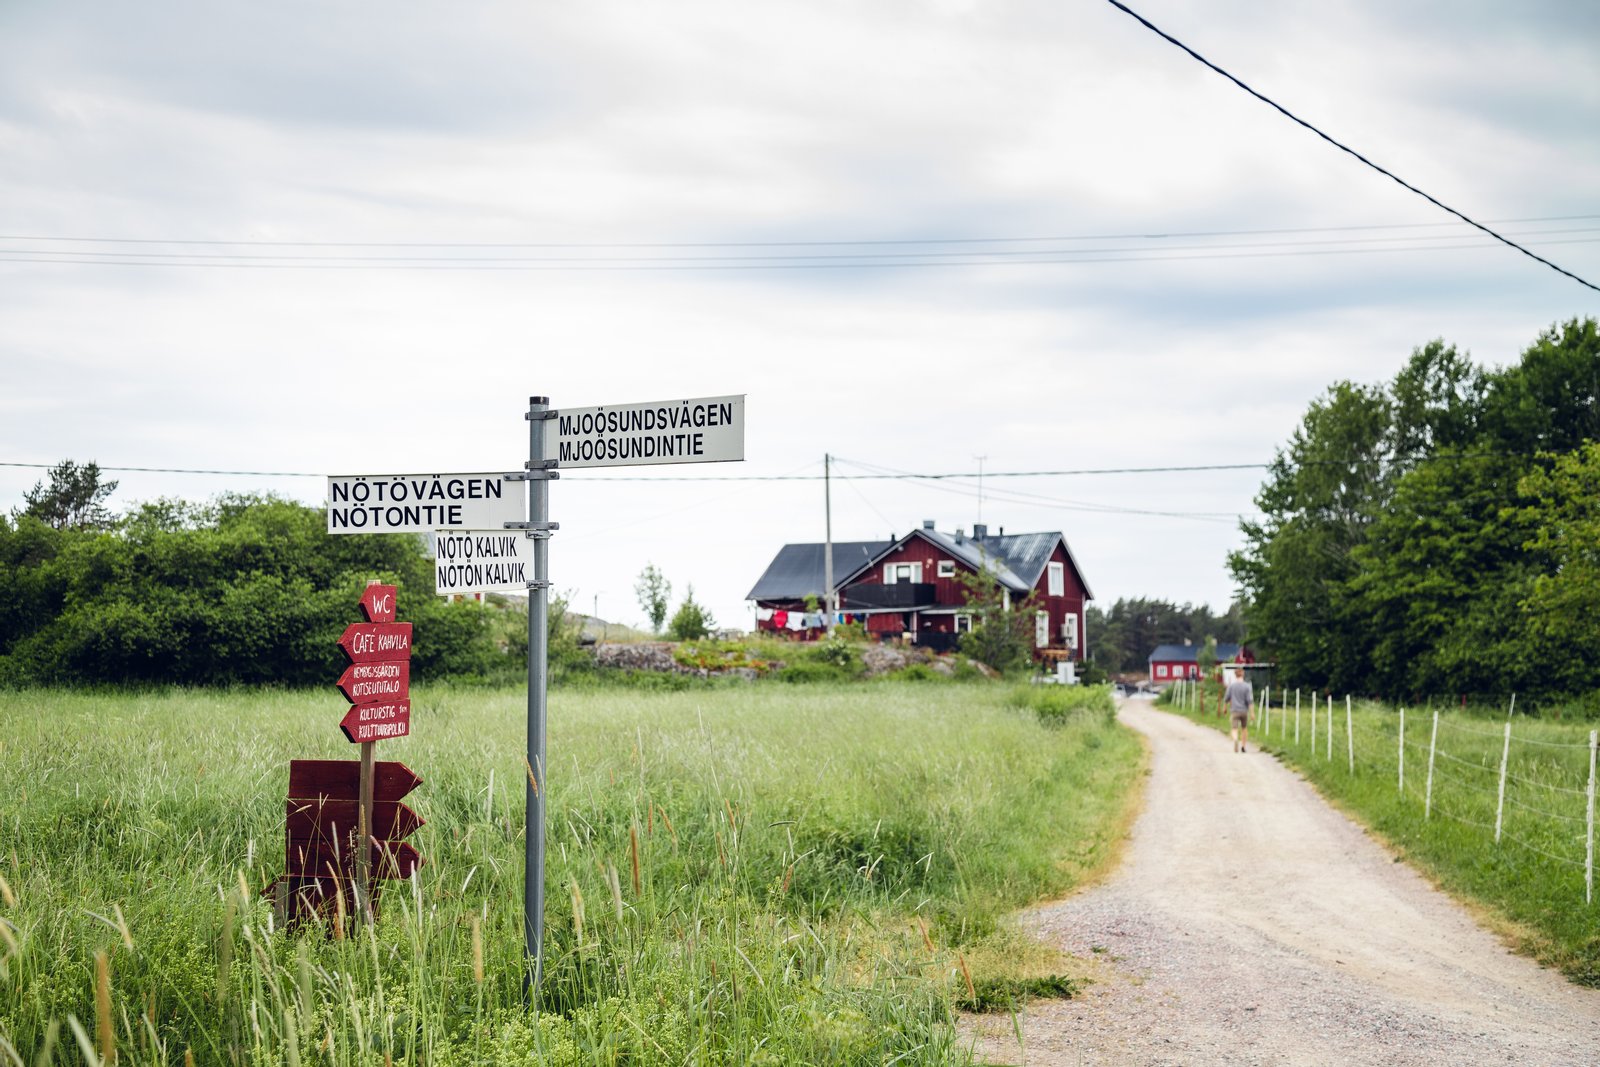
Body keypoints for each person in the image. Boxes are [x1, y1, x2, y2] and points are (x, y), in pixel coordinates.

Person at [1221, 668, 1254, 753]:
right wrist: (1252, 713)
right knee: (1244, 728)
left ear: (1235, 675)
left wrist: (1224, 708)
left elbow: (1226, 698)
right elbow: (1250, 701)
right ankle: (1243, 746)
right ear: (1243, 675)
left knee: (1234, 728)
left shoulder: (1231, 686)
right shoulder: (1247, 686)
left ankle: (1235, 739)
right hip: (1244, 711)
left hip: (1234, 710)